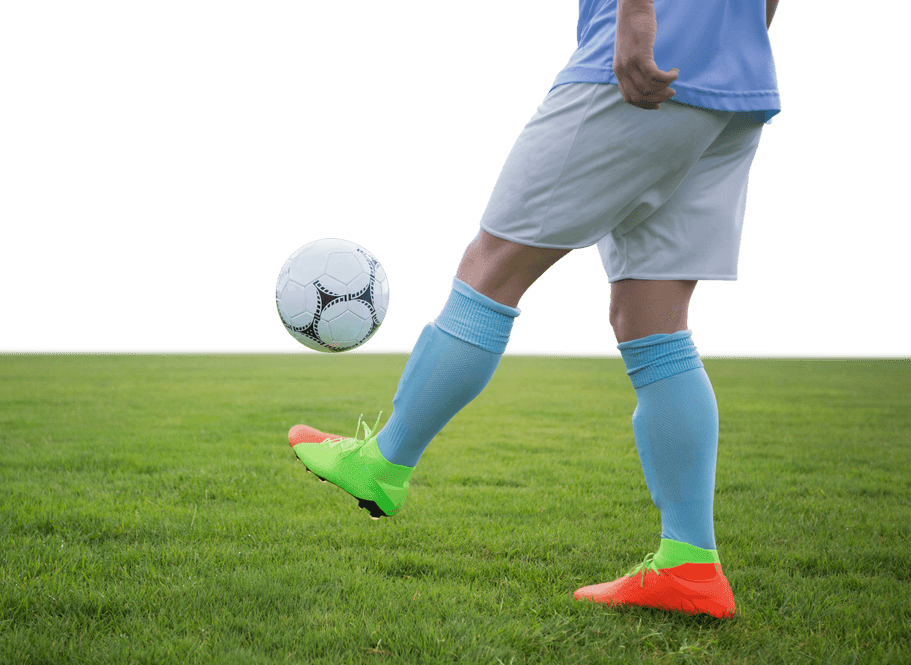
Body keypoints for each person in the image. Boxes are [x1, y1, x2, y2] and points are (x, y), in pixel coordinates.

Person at [288, 0, 781, 619]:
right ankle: (690, 565)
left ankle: (384, 462)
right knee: (653, 319)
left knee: (491, 268)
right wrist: (741, 38)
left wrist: (636, 18)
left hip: (646, 57)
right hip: (738, 83)